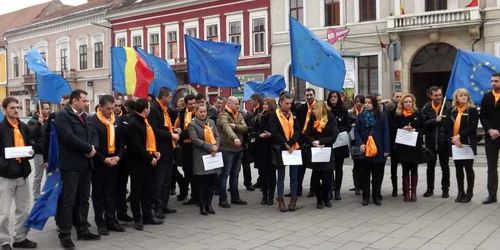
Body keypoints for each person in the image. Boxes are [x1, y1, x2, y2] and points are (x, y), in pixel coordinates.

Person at [54, 89, 100, 249]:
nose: (86, 103)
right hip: (71, 165)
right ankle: (65, 234)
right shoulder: (62, 116)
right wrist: (88, 149)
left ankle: (83, 229)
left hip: (86, 164)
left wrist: (93, 147)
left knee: (84, 199)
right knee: (69, 200)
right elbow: (68, 137)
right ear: (74, 101)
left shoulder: (85, 117)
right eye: (84, 100)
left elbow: (94, 134)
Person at [0, 97, 37, 250]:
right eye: (12, 108)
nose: (16, 110)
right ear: (4, 110)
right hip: (6, 175)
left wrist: (31, 151)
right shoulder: (1, 128)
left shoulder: (23, 126)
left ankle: (20, 237)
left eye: (17, 107)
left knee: (23, 208)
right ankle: (3, 240)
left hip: (23, 172)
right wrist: (4, 166)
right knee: (4, 212)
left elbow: (30, 144)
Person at [89, 95, 126, 235]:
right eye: (109, 108)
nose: (112, 111)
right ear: (100, 107)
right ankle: (100, 221)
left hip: (114, 161)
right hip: (99, 162)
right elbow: (92, 143)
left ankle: (112, 219)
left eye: (113, 108)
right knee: (98, 193)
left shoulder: (118, 120)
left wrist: (119, 156)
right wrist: (103, 159)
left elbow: (122, 141)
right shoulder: (92, 121)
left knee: (112, 192)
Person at [125, 99, 163, 231]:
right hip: (138, 164)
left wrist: (154, 153)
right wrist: (149, 158)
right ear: (144, 109)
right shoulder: (134, 123)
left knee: (148, 191)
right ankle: (138, 218)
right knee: (137, 193)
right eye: (148, 107)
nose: (150, 110)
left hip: (148, 162)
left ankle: (148, 216)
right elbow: (136, 146)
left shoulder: (145, 121)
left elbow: (149, 142)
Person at [149, 88, 179, 219]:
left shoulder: (163, 109)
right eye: (170, 97)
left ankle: (164, 205)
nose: (171, 99)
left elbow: (164, 127)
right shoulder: (155, 109)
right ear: (163, 97)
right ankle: (157, 208)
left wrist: (173, 129)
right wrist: (171, 135)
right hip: (160, 149)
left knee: (167, 179)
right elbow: (155, 130)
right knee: (160, 181)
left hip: (168, 149)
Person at [354, 95, 390, 206]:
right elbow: (356, 132)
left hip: (379, 148)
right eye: (365, 102)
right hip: (365, 149)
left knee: (377, 175)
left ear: (374, 104)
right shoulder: (361, 116)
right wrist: (360, 144)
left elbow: (385, 132)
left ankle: (376, 196)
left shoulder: (382, 115)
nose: (367, 104)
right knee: (365, 175)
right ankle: (365, 197)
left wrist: (386, 149)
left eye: (369, 102)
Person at [270, 93, 301, 212]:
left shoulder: (294, 115)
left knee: (294, 176)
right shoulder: (274, 115)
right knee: (281, 176)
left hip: (294, 148)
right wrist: (286, 144)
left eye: (290, 103)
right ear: (280, 103)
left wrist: (292, 142)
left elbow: (298, 130)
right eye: (286, 103)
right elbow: (274, 132)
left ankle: (293, 200)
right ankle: (281, 200)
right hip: (281, 149)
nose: (289, 106)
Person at [305, 101, 339, 209]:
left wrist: (320, 141)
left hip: (326, 150)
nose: (314, 110)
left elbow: (334, 135)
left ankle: (325, 198)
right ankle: (319, 200)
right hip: (315, 151)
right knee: (315, 179)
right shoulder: (312, 118)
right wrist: (313, 142)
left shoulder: (331, 118)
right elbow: (308, 134)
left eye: (315, 108)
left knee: (327, 179)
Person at [188, 105, 220, 215]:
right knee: (201, 182)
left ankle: (209, 204)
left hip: (212, 155)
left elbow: (217, 135)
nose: (203, 113)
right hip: (200, 155)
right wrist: (210, 147)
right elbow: (195, 139)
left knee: (211, 181)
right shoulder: (192, 124)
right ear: (196, 112)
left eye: (204, 111)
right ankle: (202, 206)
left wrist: (216, 146)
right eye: (200, 112)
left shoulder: (211, 122)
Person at [447, 88, 478, 203]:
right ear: (456, 98)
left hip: (466, 143)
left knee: (468, 168)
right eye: (461, 95)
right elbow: (448, 127)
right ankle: (461, 192)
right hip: (455, 143)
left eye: (465, 95)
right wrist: (453, 139)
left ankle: (469, 192)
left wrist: (459, 136)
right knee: (458, 168)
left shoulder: (472, 110)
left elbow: (473, 126)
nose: (464, 97)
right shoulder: (451, 110)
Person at [217, 96, 248, 208]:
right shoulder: (222, 115)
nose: (238, 105)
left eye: (238, 103)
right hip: (227, 149)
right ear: (228, 103)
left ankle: (235, 197)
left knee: (235, 174)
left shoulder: (239, 115)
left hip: (238, 150)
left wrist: (235, 126)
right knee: (224, 175)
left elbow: (245, 128)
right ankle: (223, 199)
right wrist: (235, 138)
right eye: (235, 103)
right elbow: (226, 127)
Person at [393, 93, 425, 202]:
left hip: (415, 146)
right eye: (406, 102)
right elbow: (393, 128)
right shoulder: (398, 114)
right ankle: (406, 193)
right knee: (405, 169)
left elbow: (424, 128)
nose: (408, 104)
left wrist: (416, 130)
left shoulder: (418, 113)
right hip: (403, 146)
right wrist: (402, 128)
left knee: (414, 169)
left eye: (410, 102)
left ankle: (414, 193)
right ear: (402, 103)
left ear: (413, 103)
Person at [421, 86, 451, 198]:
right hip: (431, 143)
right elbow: (423, 124)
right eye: (436, 95)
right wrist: (435, 120)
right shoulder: (426, 108)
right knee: (430, 167)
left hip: (444, 142)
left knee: (445, 167)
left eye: (440, 95)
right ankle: (430, 189)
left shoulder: (448, 107)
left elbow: (450, 124)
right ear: (430, 96)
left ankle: (445, 189)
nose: (439, 97)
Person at [253, 98, 277, 205]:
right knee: (263, 173)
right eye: (263, 104)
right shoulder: (259, 117)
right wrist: (259, 135)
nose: (264, 106)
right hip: (261, 147)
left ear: (271, 105)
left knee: (271, 174)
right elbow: (254, 131)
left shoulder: (276, 116)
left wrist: (270, 135)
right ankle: (264, 196)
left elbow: (278, 132)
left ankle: (271, 197)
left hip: (272, 147)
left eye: (266, 104)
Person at [327, 91, 351, 200]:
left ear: (338, 98)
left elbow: (348, 125)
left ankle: (337, 190)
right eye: (331, 97)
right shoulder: (326, 109)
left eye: (335, 97)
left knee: (339, 167)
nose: (333, 99)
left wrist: (341, 131)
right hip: (330, 141)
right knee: (329, 167)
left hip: (340, 142)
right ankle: (329, 189)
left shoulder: (343, 110)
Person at [480, 72, 500, 204]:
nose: (493, 83)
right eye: (492, 81)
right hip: (491, 137)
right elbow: (483, 116)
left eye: (496, 81)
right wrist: (489, 130)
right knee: (491, 167)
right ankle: (492, 195)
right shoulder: (486, 97)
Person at [293, 88, 316, 197]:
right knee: (300, 166)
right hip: (302, 139)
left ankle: (313, 189)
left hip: (314, 139)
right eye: (307, 95)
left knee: (315, 166)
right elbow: (292, 107)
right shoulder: (301, 107)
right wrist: (292, 96)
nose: (309, 97)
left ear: (314, 95)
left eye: (311, 95)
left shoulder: (319, 108)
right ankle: (298, 189)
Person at [27, 102, 50, 201]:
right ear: (39, 110)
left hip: (48, 152)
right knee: (38, 176)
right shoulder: (32, 121)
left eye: (49, 108)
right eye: (46, 108)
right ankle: (36, 196)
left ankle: (47, 194)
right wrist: (39, 124)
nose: (48, 110)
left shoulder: (49, 121)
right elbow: (31, 134)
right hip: (39, 152)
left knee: (49, 175)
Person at [116, 98, 134, 222]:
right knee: (112, 188)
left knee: (122, 187)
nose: (117, 108)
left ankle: (122, 212)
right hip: (111, 159)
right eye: (114, 106)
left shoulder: (126, 119)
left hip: (125, 158)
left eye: (118, 105)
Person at [178, 94, 197, 204]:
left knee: (196, 172)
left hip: (196, 146)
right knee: (188, 171)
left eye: (194, 103)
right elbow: (181, 128)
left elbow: (193, 131)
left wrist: (182, 134)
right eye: (190, 104)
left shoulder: (198, 113)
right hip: (186, 147)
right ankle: (190, 194)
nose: (193, 105)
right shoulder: (182, 114)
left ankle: (197, 196)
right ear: (186, 104)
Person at [386, 90, 403, 197]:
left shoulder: (405, 108)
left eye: (400, 96)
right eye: (397, 96)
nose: (399, 98)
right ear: (393, 97)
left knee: (406, 166)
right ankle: (395, 189)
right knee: (394, 166)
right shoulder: (389, 109)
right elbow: (390, 125)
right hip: (393, 141)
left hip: (404, 141)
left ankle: (405, 188)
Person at [349, 94, 364, 195]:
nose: (357, 103)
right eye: (356, 102)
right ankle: (357, 186)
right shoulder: (351, 113)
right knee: (356, 164)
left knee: (364, 164)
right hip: (354, 140)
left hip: (364, 140)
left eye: (359, 101)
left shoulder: (366, 112)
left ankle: (363, 184)